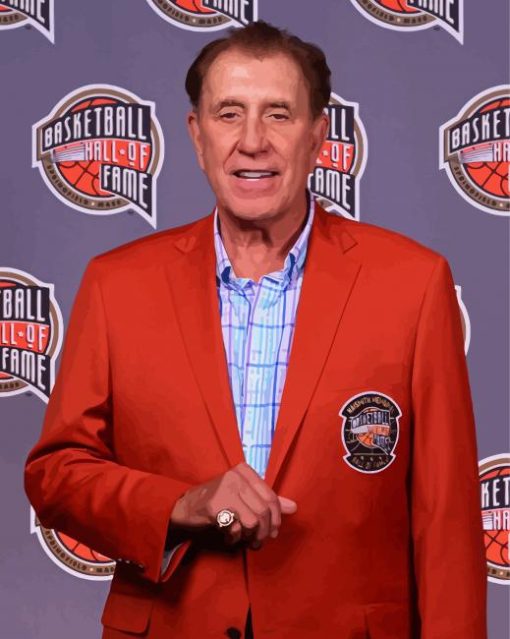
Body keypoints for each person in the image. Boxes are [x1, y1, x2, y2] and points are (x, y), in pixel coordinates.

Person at [24, 20, 487, 639]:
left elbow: (446, 518)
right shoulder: (117, 284)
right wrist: (182, 505)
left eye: (278, 114)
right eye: (229, 114)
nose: (251, 142)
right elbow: (57, 475)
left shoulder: (413, 283)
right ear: (197, 136)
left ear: (318, 136)